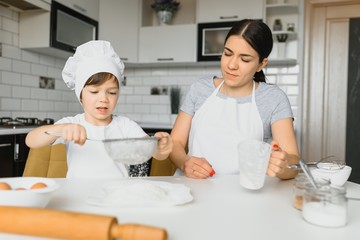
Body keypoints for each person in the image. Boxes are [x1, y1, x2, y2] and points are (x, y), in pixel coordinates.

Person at [170, 19, 299, 179]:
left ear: (261, 64)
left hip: (245, 196)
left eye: (244, 59)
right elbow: (175, 142)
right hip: (191, 189)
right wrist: (184, 162)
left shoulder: (273, 98)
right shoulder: (199, 88)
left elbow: (293, 161)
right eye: (227, 53)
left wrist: (283, 166)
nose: (231, 65)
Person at [26, 40, 173, 178]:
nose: (104, 99)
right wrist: (61, 129)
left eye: (112, 92)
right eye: (94, 92)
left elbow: (152, 152)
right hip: (79, 197)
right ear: (80, 95)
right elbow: (31, 140)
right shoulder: (72, 123)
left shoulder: (125, 126)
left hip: (115, 198)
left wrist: (160, 147)